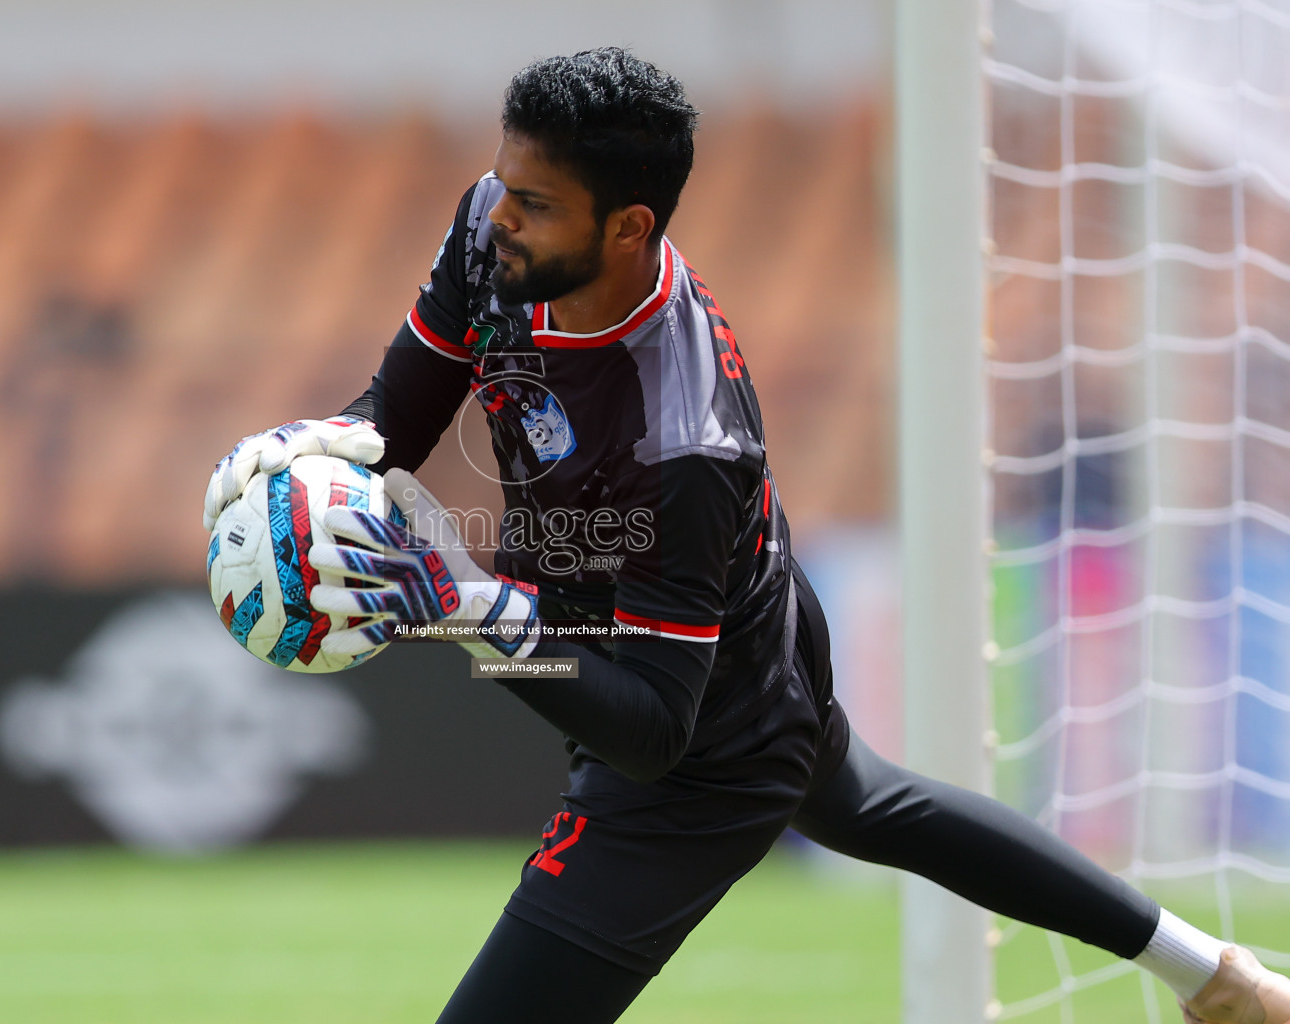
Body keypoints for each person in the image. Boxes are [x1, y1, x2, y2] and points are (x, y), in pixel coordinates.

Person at [203, 47, 1290, 1024]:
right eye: (504, 185)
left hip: (699, 747)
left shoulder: (686, 440)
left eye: (534, 203)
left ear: (629, 226)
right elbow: (403, 405)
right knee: (870, 802)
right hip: (739, 634)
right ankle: (1219, 977)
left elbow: (650, 733)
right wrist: (326, 440)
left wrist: (464, 607)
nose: (500, 217)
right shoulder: (496, 230)